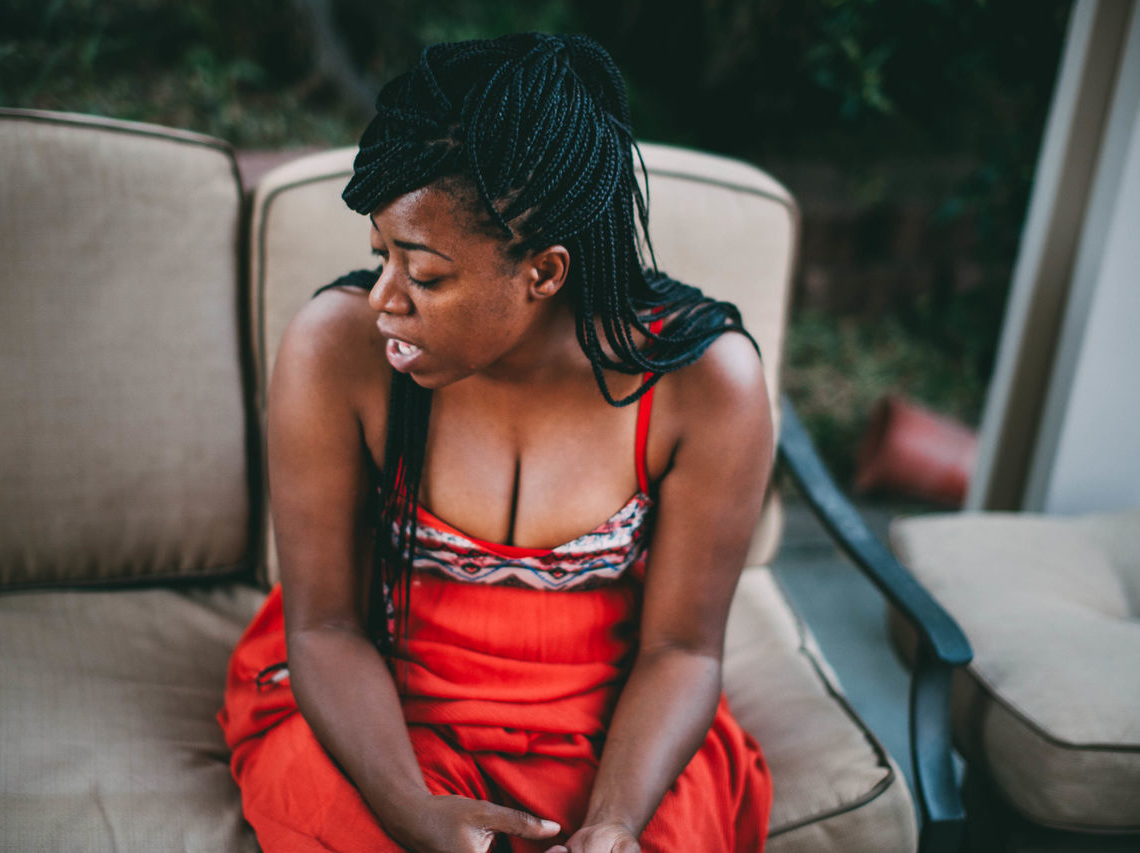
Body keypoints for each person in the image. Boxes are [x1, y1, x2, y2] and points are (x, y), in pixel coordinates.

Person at [218, 32, 775, 853]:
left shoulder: (704, 385)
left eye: (426, 275)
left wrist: (615, 820)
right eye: (379, 257)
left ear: (544, 272)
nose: (383, 302)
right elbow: (326, 628)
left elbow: (683, 648)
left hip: (607, 728)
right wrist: (409, 808)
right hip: (380, 712)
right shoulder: (336, 352)